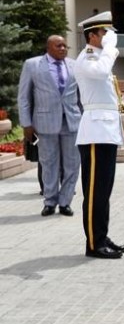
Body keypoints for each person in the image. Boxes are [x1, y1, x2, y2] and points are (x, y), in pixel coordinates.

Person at [74, 12, 124, 259]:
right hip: (95, 132)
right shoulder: (87, 58)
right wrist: (110, 49)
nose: (108, 37)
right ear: (92, 35)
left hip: (106, 130)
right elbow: (100, 71)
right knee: (94, 190)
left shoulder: (99, 58)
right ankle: (94, 244)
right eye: (104, 33)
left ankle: (102, 236)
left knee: (104, 190)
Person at [17, 35, 81, 217]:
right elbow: (24, 97)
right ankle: (50, 201)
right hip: (44, 123)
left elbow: (80, 95)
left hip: (71, 122)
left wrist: (85, 119)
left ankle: (65, 202)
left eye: (65, 46)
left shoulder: (74, 65)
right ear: (49, 48)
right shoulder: (33, 65)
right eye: (58, 46)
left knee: (72, 164)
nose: (63, 48)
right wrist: (26, 123)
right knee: (48, 164)